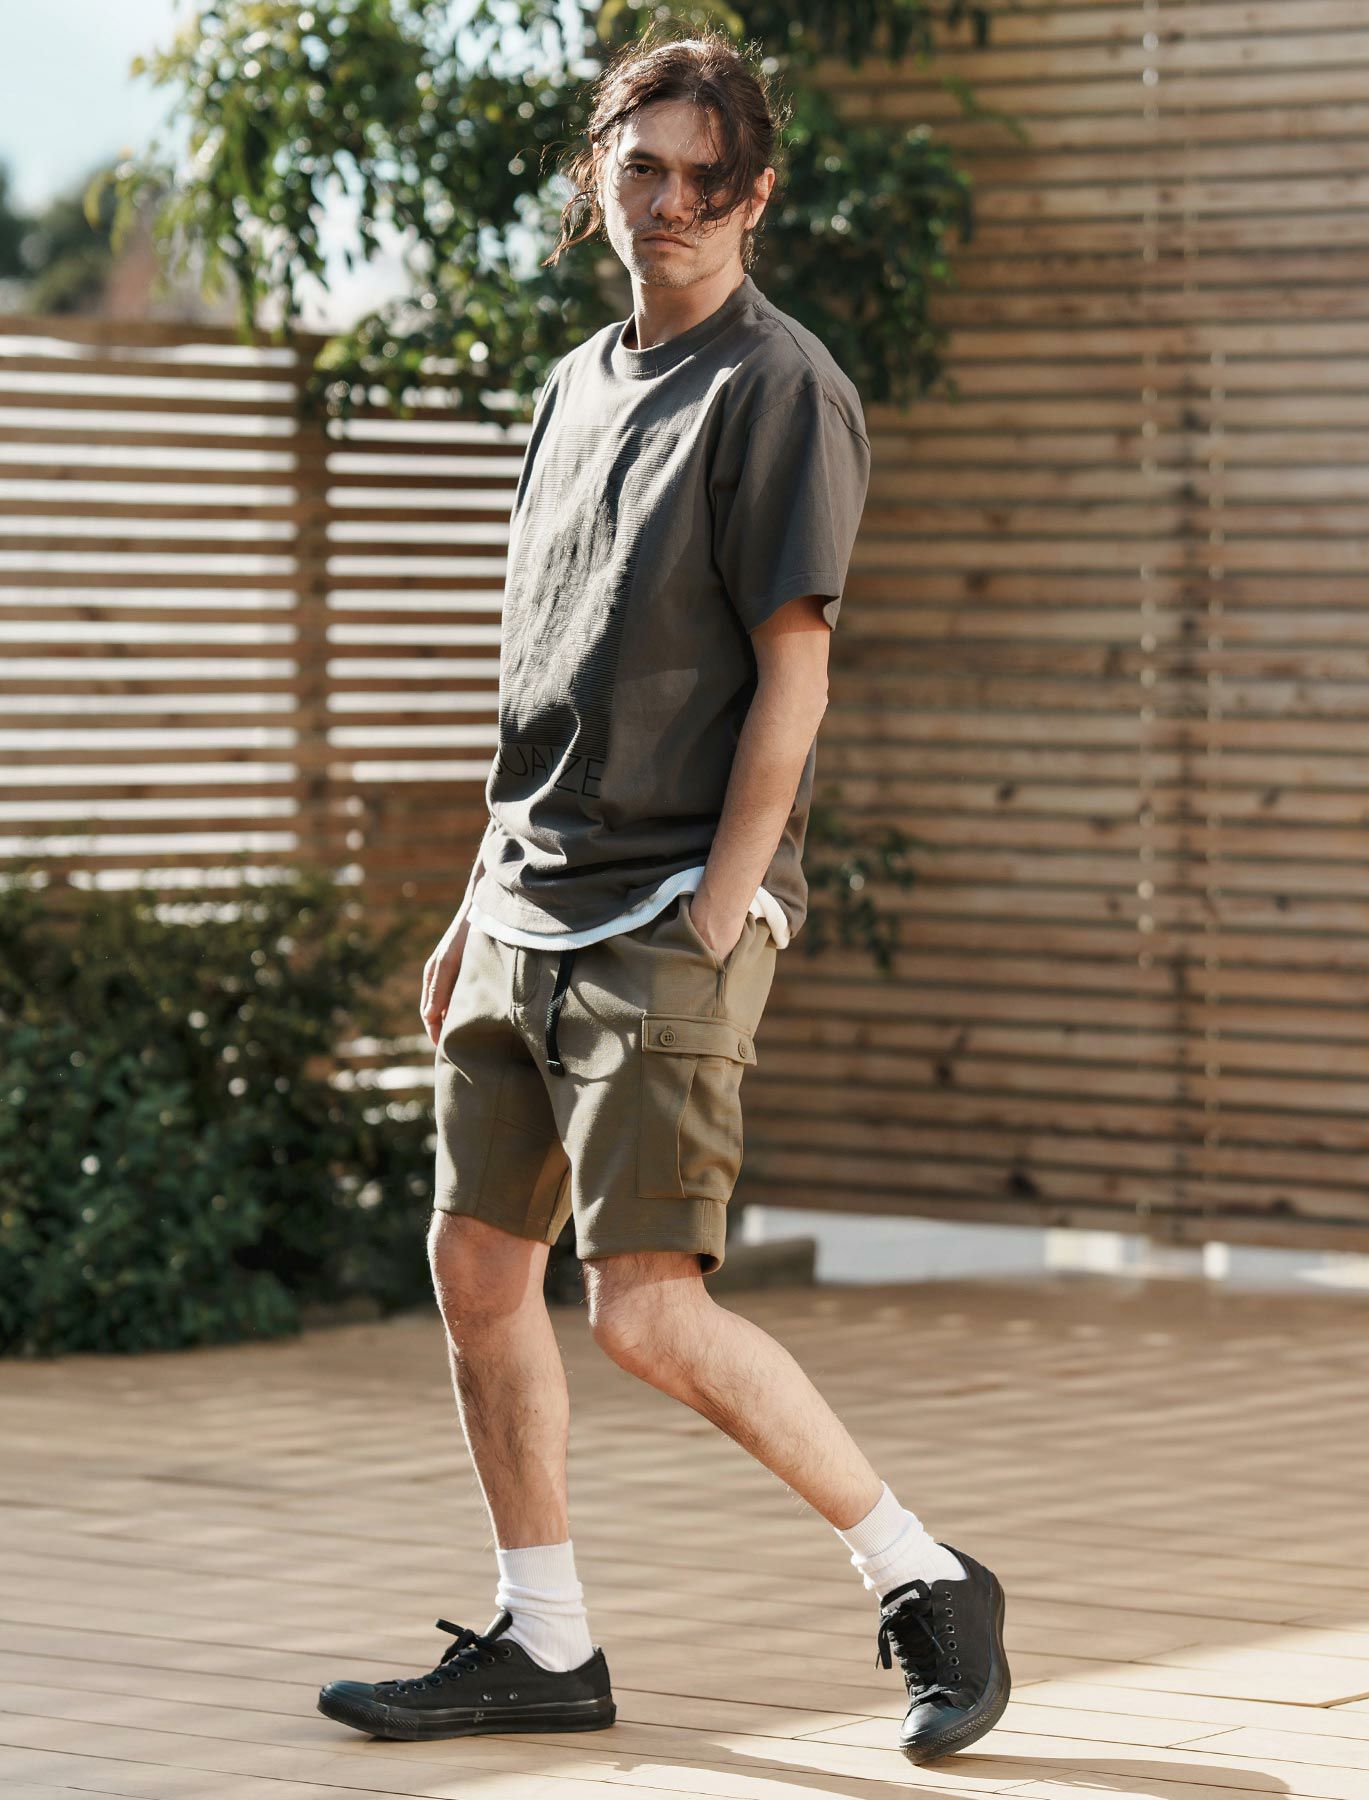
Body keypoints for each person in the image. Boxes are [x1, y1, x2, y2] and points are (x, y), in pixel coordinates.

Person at [316, 26, 1009, 1767]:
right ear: (601, 176)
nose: (675, 203)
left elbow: (797, 671)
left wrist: (722, 900)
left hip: (669, 908)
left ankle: (924, 1578)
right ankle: (543, 1637)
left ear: (755, 196)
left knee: (644, 1308)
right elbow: (541, 668)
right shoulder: (573, 387)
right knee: (478, 1267)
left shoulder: (780, 388)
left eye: (711, 177)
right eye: (646, 167)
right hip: (529, 896)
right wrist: (478, 890)